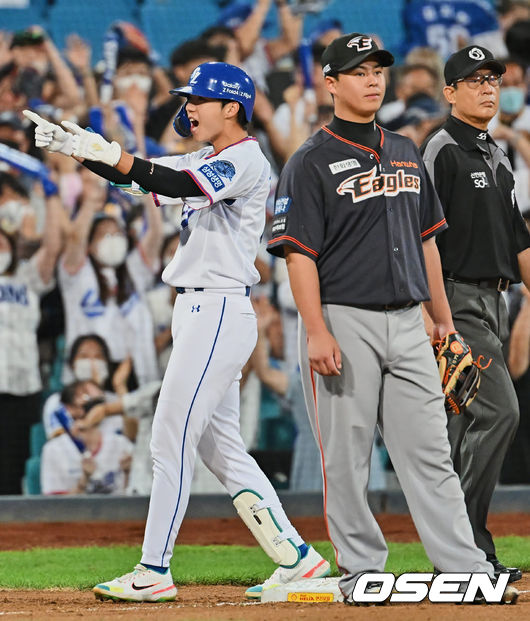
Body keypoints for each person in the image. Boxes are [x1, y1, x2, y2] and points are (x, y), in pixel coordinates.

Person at [25, 61, 330, 602]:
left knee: (170, 436)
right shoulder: (205, 155)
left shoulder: (245, 157)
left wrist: (109, 153)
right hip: (200, 313)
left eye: (199, 99)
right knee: (223, 449)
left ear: (231, 107)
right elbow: (141, 180)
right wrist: (84, 152)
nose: (188, 107)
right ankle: (297, 557)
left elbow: (169, 181)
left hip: (216, 310)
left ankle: (153, 569)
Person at [266, 33, 517, 604]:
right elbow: (298, 253)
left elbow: (427, 243)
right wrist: (318, 329)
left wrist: (443, 320)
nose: (373, 79)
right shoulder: (310, 161)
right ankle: (360, 569)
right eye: (358, 71)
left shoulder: (405, 148)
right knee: (348, 456)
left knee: (429, 451)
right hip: (343, 319)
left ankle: (464, 566)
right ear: (331, 83)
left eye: (378, 69)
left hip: (410, 322)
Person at [421, 45, 530, 583]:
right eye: (475, 79)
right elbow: (418, 235)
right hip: (456, 301)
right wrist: (432, 313)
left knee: (462, 428)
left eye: (494, 78)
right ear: (450, 92)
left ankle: (455, 558)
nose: (489, 87)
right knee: (500, 413)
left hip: (496, 299)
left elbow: (517, 236)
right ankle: (467, 547)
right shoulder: (441, 149)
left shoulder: (497, 153)